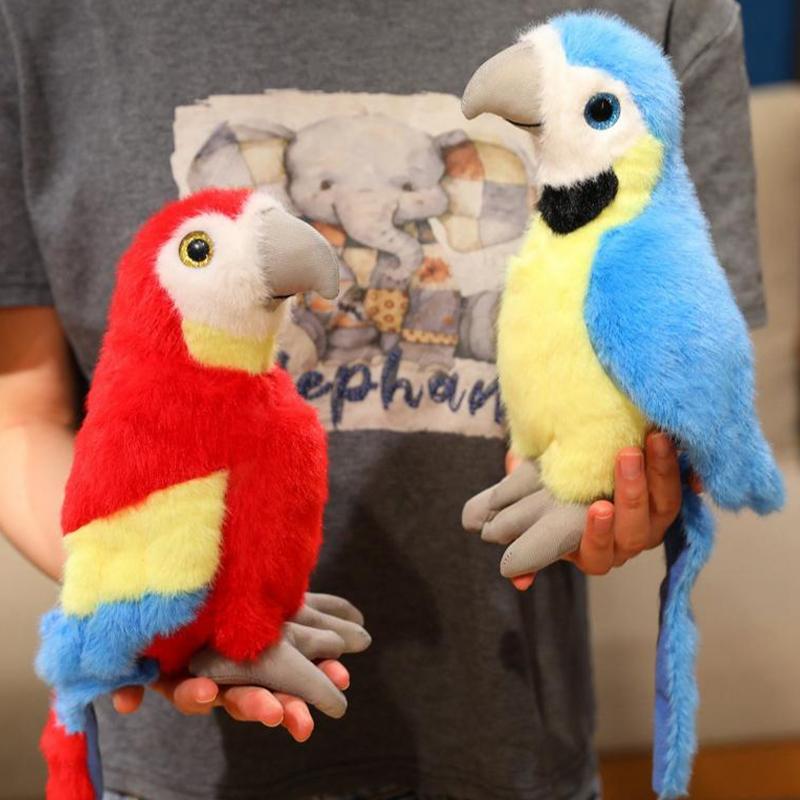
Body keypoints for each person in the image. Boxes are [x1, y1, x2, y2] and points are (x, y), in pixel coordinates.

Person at [0, 1, 764, 798]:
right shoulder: (37, 21)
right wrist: (170, 605)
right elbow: (21, 415)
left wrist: (619, 484)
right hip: (169, 767)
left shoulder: (653, 20)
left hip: (511, 740)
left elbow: (685, 356)